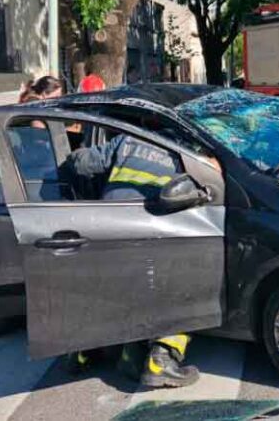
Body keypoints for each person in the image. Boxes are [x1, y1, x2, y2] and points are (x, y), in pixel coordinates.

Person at [61, 132, 201, 388]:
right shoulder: (183, 148)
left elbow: (81, 164)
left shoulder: (126, 140)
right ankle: (162, 360)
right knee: (187, 287)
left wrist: (70, 154)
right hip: (146, 230)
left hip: (107, 227)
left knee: (108, 292)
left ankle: (84, 351)